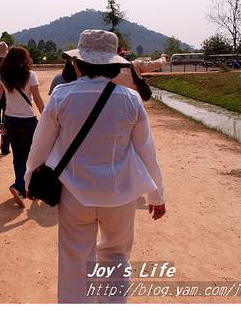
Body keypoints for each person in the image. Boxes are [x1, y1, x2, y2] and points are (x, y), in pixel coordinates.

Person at [25, 30, 166, 303]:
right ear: (114, 64)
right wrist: (156, 195)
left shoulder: (62, 96)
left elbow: (39, 147)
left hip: (75, 195)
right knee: (115, 257)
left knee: (75, 260)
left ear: (77, 63)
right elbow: (147, 152)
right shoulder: (130, 99)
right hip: (120, 196)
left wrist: (31, 180)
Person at [0, 46, 45, 208]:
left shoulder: (4, 76)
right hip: (28, 120)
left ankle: (22, 186)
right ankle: (20, 186)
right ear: (24, 59)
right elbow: (37, 99)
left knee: (18, 155)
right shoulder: (30, 75)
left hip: (10, 120)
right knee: (30, 155)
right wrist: (46, 117)